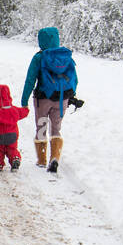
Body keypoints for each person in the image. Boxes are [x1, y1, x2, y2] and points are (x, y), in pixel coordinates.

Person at [20, 27, 82, 174]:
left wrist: (24, 101)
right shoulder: (66, 56)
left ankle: (42, 160)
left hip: (43, 99)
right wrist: (70, 96)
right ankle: (55, 157)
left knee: (41, 128)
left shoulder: (39, 57)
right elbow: (75, 79)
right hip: (62, 99)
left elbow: (30, 80)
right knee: (56, 129)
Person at [0, 84, 30, 171]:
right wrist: (26, 109)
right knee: (12, 148)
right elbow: (23, 112)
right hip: (13, 135)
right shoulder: (14, 110)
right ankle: (15, 158)